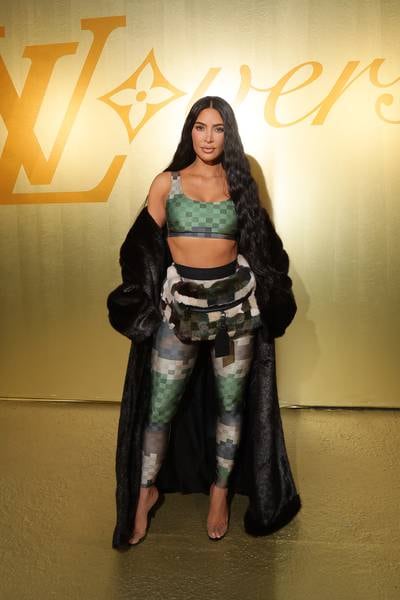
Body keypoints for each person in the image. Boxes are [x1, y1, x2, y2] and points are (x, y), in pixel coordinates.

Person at [107, 95, 301, 550]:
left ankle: (220, 492)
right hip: (180, 313)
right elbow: (140, 248)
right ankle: (144, 491)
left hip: (235, 316)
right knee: (159, 410)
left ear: (227, 134)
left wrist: (270, 292)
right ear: (189, 131)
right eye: (200, 127)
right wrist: (142, 301)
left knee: (231, 408)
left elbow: (264, 245)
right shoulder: (167, 183)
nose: (208, 137)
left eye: (217, 128)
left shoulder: (240, 184)